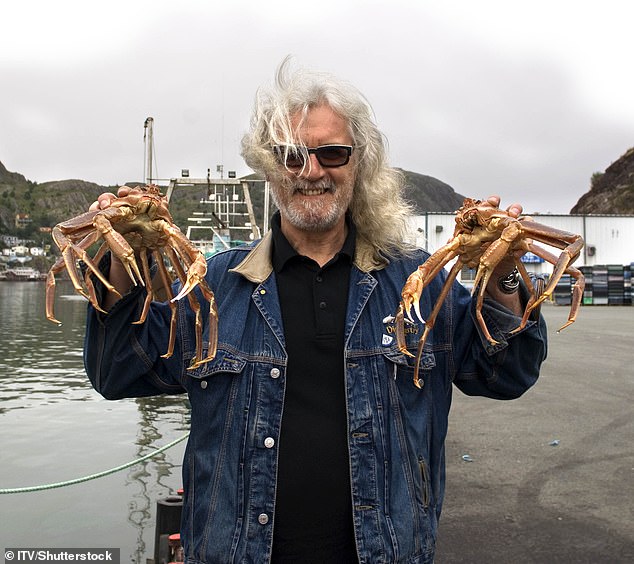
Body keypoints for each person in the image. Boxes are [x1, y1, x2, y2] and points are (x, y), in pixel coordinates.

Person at [84, 59, 547, 563]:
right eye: (290, 155)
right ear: (268, 166)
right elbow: (119, 371)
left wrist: (503, 273)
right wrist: (117, 257)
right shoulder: (212, 286)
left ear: (358, 164)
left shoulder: (420, 283)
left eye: (332, 152)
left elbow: (506, 373)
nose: (311, 170)